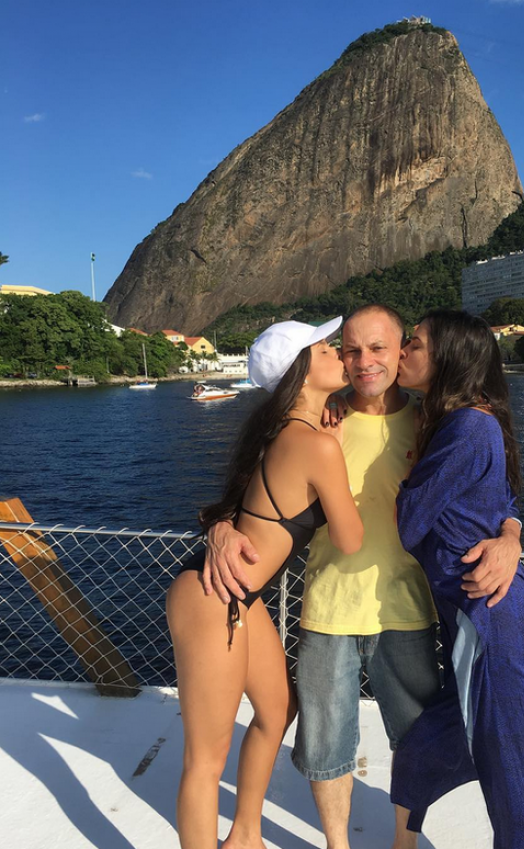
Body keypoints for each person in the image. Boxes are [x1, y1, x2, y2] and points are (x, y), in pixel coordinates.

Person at [204, 304, 523, 849]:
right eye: (350, 349)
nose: (363, 361)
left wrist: (511, 536)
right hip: (328, 608)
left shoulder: (435, 422)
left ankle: (403, 843)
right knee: (325, 748)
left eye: (378, 348)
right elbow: (247, 490)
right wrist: (219, 528)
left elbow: (499, 489)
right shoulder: (315, 421)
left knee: (415, 741)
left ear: (403, 351)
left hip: (408, 609)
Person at [166, 316, 363, 849]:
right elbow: (349, 539)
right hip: (213, 596)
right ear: (302, 370)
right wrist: (338, 457)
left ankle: (246, 836)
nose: (338, 354)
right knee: (205, 759)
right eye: (325, 348)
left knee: (278, 712)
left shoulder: (283, 434)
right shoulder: (316, 445)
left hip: (237, 593)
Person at [390, 309, 524, 849]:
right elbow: (506, 500)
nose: (404, 352)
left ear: (448, 358)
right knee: (423, 749)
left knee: (515, 771)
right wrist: (511, 531)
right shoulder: (463, 420)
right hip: (477, 615)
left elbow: (410, 523)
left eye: (414, 343)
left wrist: (407, 472)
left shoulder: (467, 426)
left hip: (489, 619)